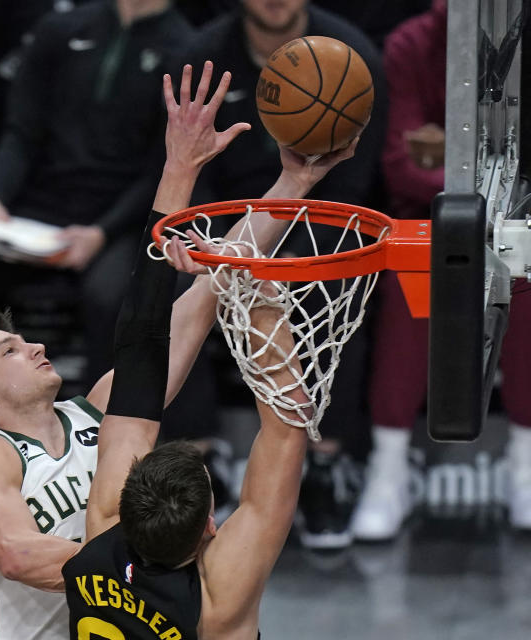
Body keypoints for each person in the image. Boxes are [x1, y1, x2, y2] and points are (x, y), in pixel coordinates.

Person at [62, 61, 356, 639]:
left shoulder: (97, 547)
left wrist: (259, 293)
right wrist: (259, 290)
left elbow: (286, 427)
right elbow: (142, 341)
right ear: (211, 530)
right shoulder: (211, 601)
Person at [177, 0, 388, 550]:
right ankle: (201, 459)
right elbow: (190, 171)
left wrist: (281, 242)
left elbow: (354, 183)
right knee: (174, 280)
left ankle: (326, 463)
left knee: (329, 279)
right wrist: (218, 240)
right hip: (229, 219)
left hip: (322, 212)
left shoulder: (351, 60)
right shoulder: (202, 57)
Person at [0, 0, 194, 390]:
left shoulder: (188, 49)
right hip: (42, 204)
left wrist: (101, 232)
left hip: (125, 219)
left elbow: (164, 167)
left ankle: (98, 432)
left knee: (111, 297)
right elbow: (21, 131)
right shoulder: (61, 29)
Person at [353, 0, 531, 540]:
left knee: (524, 276)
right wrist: (491, 188)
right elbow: (400, 166)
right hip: (432, 223)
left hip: (518, 219)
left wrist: (451, 165)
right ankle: (388, 470)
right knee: (412, 278)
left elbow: (427, 160)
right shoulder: (411, 43)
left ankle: (525, 464)